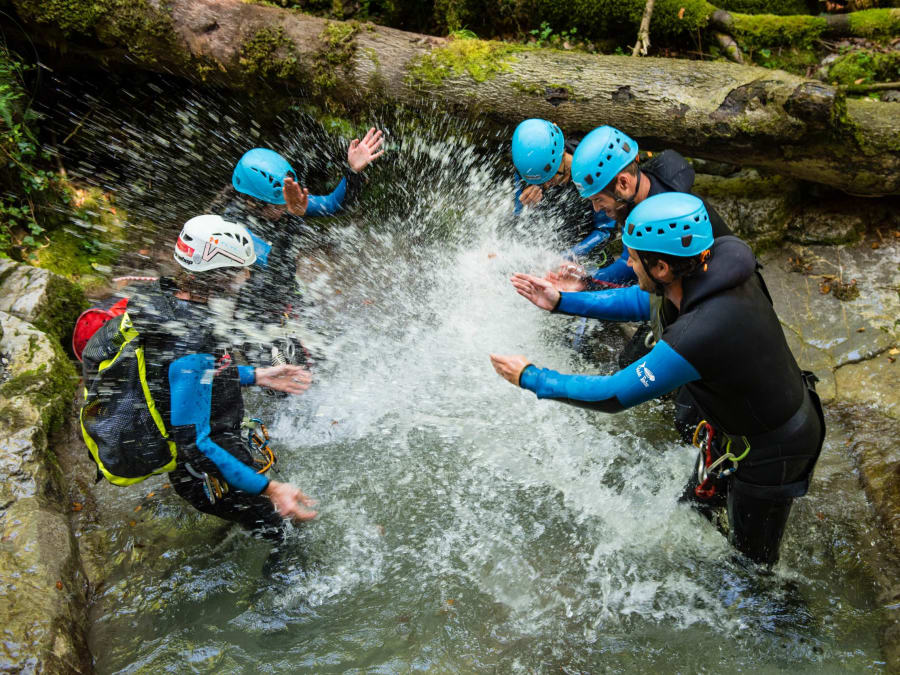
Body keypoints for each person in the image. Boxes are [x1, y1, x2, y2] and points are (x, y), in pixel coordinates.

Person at [490, 193, 825, 567]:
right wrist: (562, 301)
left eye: (633, 259)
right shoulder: (709, 268)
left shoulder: (702, 332)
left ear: (662, 268)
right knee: (695, 511)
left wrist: (532, 377)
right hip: (746, 431)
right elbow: (640, 301)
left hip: (775, 451)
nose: (629, 265)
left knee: (752, 567)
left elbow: (614, 394)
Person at [131, 214, 319, 539]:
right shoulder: (191, 338)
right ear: (219, 274)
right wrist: (270, 488)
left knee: (266, 522)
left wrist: (255, 375)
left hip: (209, 453)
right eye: (241, 269)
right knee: (285, 536)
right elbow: (197, 443)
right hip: (204, 471)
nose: (247, 276)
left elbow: (182, 377)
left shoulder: (167, 300)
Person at [223, 129, 384, 364]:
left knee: (326, 364)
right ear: (252, 201)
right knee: (283, 383)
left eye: (285, 203)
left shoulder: (287, 205)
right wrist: (293, 218)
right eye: (277, 205)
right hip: (256, 319)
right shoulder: (232, 227)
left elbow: (331, 205)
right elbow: (271, 265)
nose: (283, 208)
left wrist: (353, 172)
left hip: (290, 302)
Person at [549, 124, 732, 292]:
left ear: (623, 182)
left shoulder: (661, 216)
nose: (596, 208)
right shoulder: (649, 184)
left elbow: (637, 283)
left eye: (598, 199)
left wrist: (588, 280)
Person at [511, 118, 616, 259]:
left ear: (562, 157)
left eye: (550, 178)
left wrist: (566, 257)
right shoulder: (528, 169)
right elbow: (517, 221)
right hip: (548, 248)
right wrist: (523, 206)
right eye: (541, 182)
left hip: (588, 252)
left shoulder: (592, 172)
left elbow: (605, 231)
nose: (546, 186)